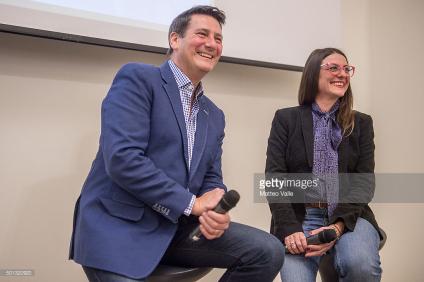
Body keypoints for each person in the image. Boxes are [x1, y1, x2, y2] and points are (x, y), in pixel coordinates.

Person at [69, 5, 284, 282]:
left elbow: (210, 177)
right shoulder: (138, 78)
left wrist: (214, 209)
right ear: (174, 40)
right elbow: (122, 158)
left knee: (268, 250)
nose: (211, 44)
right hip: (119, 228)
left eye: (218, 39)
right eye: (202, 34)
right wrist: (192, 204)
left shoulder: (214, 115)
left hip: (174, 228)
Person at [265, 48, 382, 281]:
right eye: (333, 68)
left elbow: (363, 184)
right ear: (312, 74)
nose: (342, 74)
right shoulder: (285, 119)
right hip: (300, 217)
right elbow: (274, 180)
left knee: (360, 267)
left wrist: (337, 227)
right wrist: (289, 229)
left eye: (346, 69)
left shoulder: (362, 123)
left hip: (349, 217)